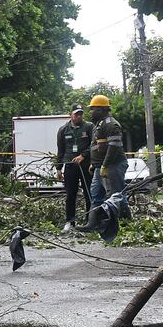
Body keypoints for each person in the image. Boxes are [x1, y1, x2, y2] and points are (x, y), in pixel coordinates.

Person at [78, 94, 128, 231]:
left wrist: (105, 165)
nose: (91, 112)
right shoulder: (98, 125)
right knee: (96, 195)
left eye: (93, 109)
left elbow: (114, 147)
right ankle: (92, 224)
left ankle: (126, 223)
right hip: (99, 167)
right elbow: (96, 147)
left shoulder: (111, 125)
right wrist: (94, 164)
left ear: (101, 110)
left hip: (113, 165)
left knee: (117, 195)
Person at [55, 104, 94, 231]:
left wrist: (83, 155)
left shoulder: (89, 127)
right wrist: (58, 168)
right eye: (76, 114)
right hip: (70, 165)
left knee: (89, 193)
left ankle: (89, 221)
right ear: (70, 114)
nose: (79, 116)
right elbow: (60, 150)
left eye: (81, 113)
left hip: (86, 165)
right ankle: (70, 221)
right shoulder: (63, 130)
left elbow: (93, 144)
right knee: (71, 194)